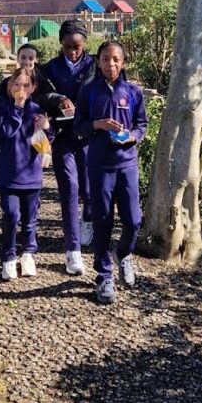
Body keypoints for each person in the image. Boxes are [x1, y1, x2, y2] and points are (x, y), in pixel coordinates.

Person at [73, 38, 147, 305]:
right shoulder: (89, 91)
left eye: (116, 59)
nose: (111, 64)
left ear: (123, 62)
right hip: (99, 165)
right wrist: (98, 124)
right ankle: (104, 276)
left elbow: (142, 124)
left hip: (127, 164)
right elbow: (78, 127)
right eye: (105, 59)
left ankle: (124, 254)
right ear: (98, 61)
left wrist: (133, 137)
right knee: (103, 220)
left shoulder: (134, 91)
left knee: (133, 220)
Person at [39, 18, 96, 276]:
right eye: (67, 46)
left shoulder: (95, 65)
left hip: (89, 137)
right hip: (63, 137)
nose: (72, 51)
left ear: (84, 43)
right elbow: (40, 95)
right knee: (69, 190)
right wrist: (58, 98)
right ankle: (72, 251)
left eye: (77, 46)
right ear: (60, 43)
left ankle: (88, 217)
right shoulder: (50, 68)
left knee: (89, 189)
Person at [0, 64, 53, 281]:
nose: (20, 89)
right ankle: (8, 257)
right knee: (11, 215)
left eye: (25, 85)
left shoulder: (36, 110)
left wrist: (46, 127)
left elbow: (46, 144)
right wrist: (18, 108)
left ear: (32, 87)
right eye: (16, 84)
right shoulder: (2, 108)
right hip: (9, 175)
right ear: (10, 86)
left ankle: (28, 253)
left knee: (30, 219)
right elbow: (5, 132)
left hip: (31, 176)